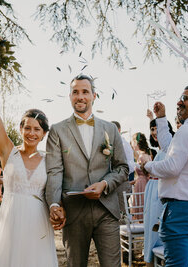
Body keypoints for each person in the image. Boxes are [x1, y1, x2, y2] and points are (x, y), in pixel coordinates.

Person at [45, 74, 128, 267]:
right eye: (75, 92)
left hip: (106, 209)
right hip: (73, 211)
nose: (80, 96)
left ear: (94, 96)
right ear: (70, 96)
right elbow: (54, 171)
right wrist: (54, 204)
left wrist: (105, 184)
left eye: (85, 91)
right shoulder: (57, 130)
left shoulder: (110, 129)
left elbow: (122, 168)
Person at [0, 60, 57, 266]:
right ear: (20, 129)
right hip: (12, 219)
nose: (31, 133)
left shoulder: (50, 159)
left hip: (39, 222)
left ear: (43, 134)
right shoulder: (8, 152)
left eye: (37, 129)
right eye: (28, 128)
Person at [143, 85, 188, 267]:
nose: (179, 101)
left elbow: (172, 166)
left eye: (185, 97)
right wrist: (161, 119)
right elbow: (170, 150)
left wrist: (147, 166)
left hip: (182, 211)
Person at [143, 102, 174, 267]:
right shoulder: (158, 151)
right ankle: (149, 260)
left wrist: (148, 166)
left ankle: (156, 260)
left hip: (160, 192)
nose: (154, 132)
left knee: (158, 227)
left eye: (157, 129)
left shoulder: (171, 148)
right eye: (152, 130)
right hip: (151, 191)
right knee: (150, 226)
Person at [131, 132, 152, 221]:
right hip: (141, 182)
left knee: (142, 204)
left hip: (142, 185)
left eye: (132, 142)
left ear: (136, 143)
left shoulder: (142, 157)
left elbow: (147, 173)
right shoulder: (147, 154)